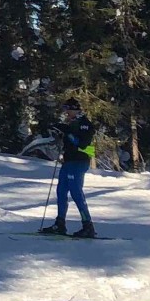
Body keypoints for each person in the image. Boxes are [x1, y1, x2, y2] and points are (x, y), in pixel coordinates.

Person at [40, 98, 97, 237]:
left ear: (75, 109)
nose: (66, 113)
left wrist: (67, 132)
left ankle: (87, 224)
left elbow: (82, 143)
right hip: (68, 161)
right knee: (61, 191)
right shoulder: (72, 123)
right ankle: (60, 223)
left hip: (79, 162)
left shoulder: (85, 124)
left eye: (68, 110)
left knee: (76, 192)